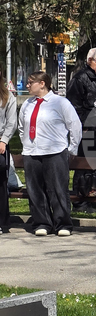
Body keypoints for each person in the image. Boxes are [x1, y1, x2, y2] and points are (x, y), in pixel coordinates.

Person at [19, 72, 82, 237]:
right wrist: (26, 143)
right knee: (35, 190)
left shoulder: (60, 103)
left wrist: (72, 148)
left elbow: (74, 125)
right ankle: (42, 223)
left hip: (55, 151)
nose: (27, 85)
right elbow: (22, 127)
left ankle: (63, 223)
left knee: (57, 189)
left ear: (42, 84)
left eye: (30, 82)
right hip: (32, 152)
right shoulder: (27, 104)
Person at [66, 48, 96, 206]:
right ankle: (80, 201)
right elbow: (73, 107)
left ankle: (93, 197)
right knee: (83, 166)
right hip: (88, 130)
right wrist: (84, 126)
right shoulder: (80, 79)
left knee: (95, 166)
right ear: (90, 61)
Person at [0, 75, 16, 233]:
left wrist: (4, 140)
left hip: (0, 143)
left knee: (0, 184)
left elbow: (12, 122)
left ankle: (1, 221)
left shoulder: (7, 97)